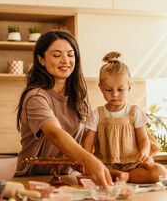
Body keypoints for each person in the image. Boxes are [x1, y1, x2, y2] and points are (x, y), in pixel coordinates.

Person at [15, 29, 113, 186]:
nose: (65, 60)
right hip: (33, 179)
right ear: (41, 60)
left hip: (69, 178)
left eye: (70, 54)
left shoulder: (80, 96)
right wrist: (89, 161)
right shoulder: (36, 97)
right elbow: (55, 133)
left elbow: (88, 137)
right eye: (56, 55)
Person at [81, 51, 167, 183]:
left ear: (129, 88)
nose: (115, 94)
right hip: (105, 163)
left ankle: (126, 176)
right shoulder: (97, 114)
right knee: (86, 169)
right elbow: (88, 142)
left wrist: (144, 153)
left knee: (160, 171)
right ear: (101, 88)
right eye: (108, 90)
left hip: (132, 163)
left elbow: (143, 140)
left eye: (120, 90)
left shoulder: (135, 112)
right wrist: (86, 160)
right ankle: (114, 175)